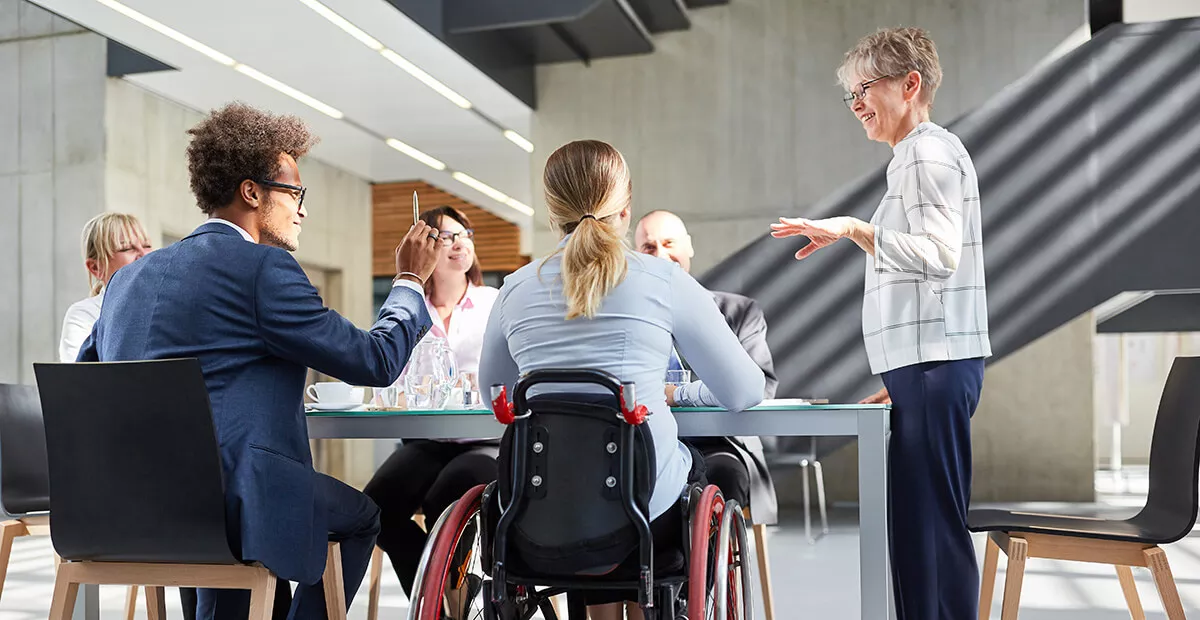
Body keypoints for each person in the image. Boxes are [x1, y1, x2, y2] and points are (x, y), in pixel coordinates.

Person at [77, 102, 441, 620]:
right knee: (363, 517)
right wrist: (408, 282)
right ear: (252, 192)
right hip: (236, 502)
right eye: (296, 193)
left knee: (231, 537)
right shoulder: (264, 268)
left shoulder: (126, 281)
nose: (303, 210)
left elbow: (87, 380)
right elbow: (374, 360)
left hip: (134, 507)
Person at [480, 139, 764, 620]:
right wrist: (678, 394)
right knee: (678, 473)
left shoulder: (514, 289)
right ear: (626, 209)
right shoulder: (663, 279)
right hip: (646, 515)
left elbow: (496, 392)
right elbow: (745, 390)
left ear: (552, 213)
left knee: (583, 485)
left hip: (539, 510)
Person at [770, 27, 990, 619]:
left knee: (931, 533)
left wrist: (853, 230)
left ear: (910, 84)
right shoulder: (918, 154)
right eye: (851, 95)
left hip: (935, 369)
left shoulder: (925, 150)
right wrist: (899, 375)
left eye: (864, 88)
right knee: (920, 531)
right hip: (924, 370)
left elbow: (941, 256)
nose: (856, 105)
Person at [363, 205, 500, 595]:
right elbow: (390, 370)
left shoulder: (494, 303)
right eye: (447, 237)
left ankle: (443, 593)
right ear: (426, 248)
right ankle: (436, 596)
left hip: (485, 439)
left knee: (444, 497)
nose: (460, 243)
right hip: (426, 440)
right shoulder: (409, 307)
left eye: (465, 234)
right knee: (374, 511)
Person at [633, 210, 778, 526]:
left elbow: (761, 387)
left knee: (721, 474)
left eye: (669, 243)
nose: (661, 254)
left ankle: (703, 573)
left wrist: (678, 394)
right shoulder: (632, 317)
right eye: (649, 247)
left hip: (720, 442)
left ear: (688, 246)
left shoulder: (739, 312)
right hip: (646, 440)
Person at [59, 213, 152, 362]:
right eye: (127, 248)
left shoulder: (165, 305)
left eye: (147, 246)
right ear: (96, 267)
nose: (144, 254)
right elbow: (79, 379)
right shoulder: (83, 315)